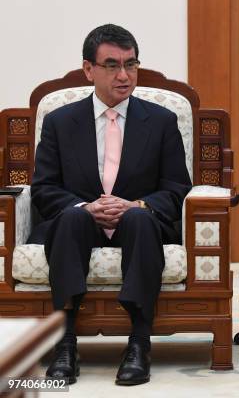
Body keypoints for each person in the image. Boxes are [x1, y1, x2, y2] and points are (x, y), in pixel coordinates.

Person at [30, 24, 192, 386]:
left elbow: (177, 187)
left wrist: (136, 204)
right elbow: (43, 188)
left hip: (138, 223)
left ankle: (138, 342)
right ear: (89, 69)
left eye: (131, 65)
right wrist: (86, 207)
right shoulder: (60, 122)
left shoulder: (162, 121)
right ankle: (65, 342)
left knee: (139, 220)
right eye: (112, 65)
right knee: (71, 219)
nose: (124, 75)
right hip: (80, 222)